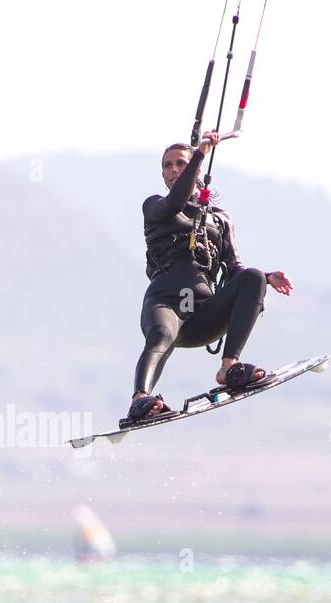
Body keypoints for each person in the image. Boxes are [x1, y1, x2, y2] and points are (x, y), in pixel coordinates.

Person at [127, 130, 293, 424]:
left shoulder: (219, 218)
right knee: (163, 334)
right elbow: (175, 203)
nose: (174, 170)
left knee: (253, 276)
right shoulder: (155, 206)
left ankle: (229, 367)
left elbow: (235, 269)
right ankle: (141, 398)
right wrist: (200, 152)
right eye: (168, 165)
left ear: (197, 172)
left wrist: (266, 278)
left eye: (180, 163)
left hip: (204, 317)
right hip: (165, 306)